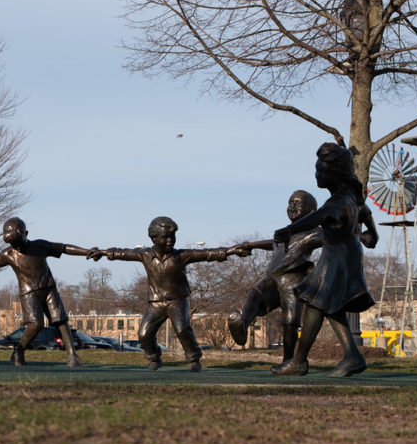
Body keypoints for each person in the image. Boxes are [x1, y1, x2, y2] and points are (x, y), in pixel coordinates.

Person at [271, 143, 378, 377]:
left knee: (317, 302)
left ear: (336, 174)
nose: (317, 175)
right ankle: (350, 356)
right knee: (325, 304)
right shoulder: (351, 197)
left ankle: (300, 362)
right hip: (342, 254)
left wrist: (289, 230)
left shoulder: (337, 202)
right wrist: (373, 233)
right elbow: (366, 213)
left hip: (337, 258)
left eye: (321, 171)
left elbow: (319, 216)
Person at [93, 217, 249, 371]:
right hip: (156, 303)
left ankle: (194, 359)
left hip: (177, 301)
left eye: (172, 236)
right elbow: (122, 253)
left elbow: (207, 253)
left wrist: (231, 251)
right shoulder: (145, 255)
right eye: (165, 237)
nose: (170, 241)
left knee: (182, 329)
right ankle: (154, 358)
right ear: (154, 238)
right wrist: (102, 252)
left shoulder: (181, 256)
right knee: (144, 334)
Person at [0, 217, 98, 368]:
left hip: (48, 288)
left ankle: (72, 355)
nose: (17, 247)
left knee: (61, 321)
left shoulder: (40, 246)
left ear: (26, 234)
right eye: (13, 244)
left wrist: (87, 252)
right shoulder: (8, 254)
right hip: (29, 293)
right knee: (35, 324)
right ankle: (18, 352)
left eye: (18, 243)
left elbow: (64, 248)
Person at [227, 190, 322, 367]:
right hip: (273, 278)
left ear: (311, 211)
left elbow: (334, 237)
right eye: (290, 203)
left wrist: (359, 235)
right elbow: (273, 243)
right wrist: (250, 245)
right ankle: (242, 326)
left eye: (298, 203)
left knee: (290, 322)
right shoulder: (285, 233)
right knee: (256, 293)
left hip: (293, 280)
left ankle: (288, 360)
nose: (292, 207)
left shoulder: (313, 233)